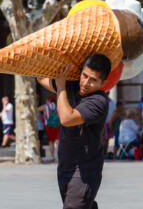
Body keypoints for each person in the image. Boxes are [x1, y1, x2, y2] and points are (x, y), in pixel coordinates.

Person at [37, 54, 111, 209]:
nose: (85, 83)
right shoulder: (71, 85)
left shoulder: (99, 101)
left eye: (93, 80)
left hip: (85, 172)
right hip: (65, 167)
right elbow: (40, 77)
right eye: (84, 75)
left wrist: (61, 85)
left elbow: (66, 118)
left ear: (103, 83)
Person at [38, 96, 60, 162]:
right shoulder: (58, 106)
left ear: (48, 100)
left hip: (48, 126)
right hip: (57, 125)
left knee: (51, 142)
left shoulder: (46, 106)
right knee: (57, 141)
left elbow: (36, 109)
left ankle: (52, 157)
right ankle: (58, 157)